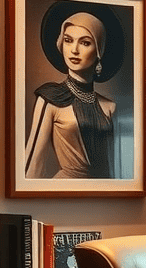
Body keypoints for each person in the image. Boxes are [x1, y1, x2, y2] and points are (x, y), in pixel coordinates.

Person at [25, 11, 117, 179]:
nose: (74, 50)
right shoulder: (50, 98)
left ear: (98, 51)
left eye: (85, 43)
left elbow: (114, 167)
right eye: (68, 40)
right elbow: (33, 164)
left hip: (103, 196)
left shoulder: (110, 107)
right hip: (63, 193)